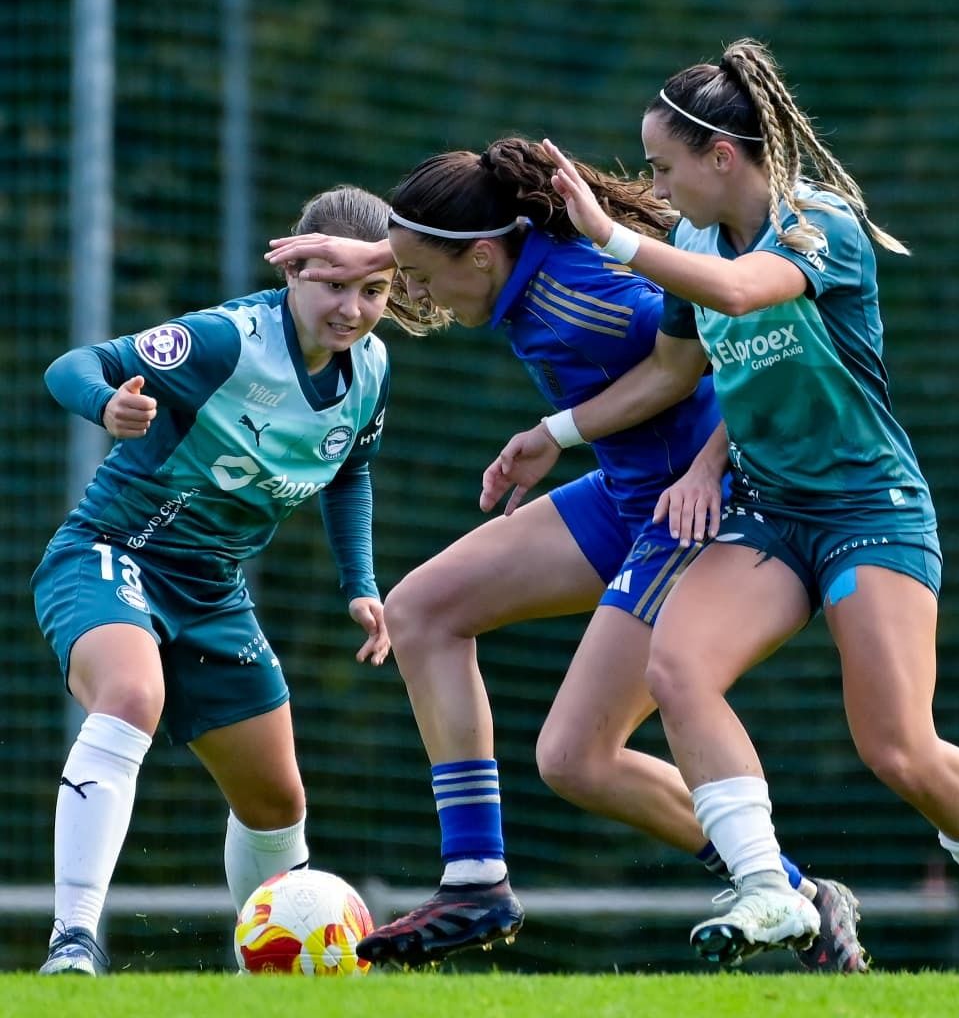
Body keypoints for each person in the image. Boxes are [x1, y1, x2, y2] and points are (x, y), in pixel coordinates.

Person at [517, 37, 959, 975]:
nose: (657, 186)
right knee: (679, 667)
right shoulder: (692, 240)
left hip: (870, 510)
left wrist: (611, 237)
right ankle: (769, 889)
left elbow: (744, 294)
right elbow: (687, 366)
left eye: (664, 166)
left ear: (721, 158)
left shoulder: (822, 225)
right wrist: (569, 434)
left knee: (898, 748)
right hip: (769, 510)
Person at [265, 140, 868, 974]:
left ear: (481, 254)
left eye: (418, 276)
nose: (411, 295)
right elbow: (443, 244)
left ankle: (795, 894)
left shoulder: (592, 299)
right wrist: (369, 251)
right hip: (625, 494)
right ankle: (475, 881)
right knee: (421, 612)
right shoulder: (509, 254)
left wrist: (631, 451)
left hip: (690, 509)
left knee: (575, 758)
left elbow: (746, 353)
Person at [33, 185, 424, 976]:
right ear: (290, 271)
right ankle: (72, 941)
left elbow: (352, 470)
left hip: (213, 588)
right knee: (133, 697)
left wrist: (361, 581)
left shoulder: (374, 368)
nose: (352, 307)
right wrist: (107, 403)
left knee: (278, 803)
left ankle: (266, 980)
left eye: (373, 290)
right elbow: (72, 365)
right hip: (116, 552)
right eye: (333, 285)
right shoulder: (225, 341)